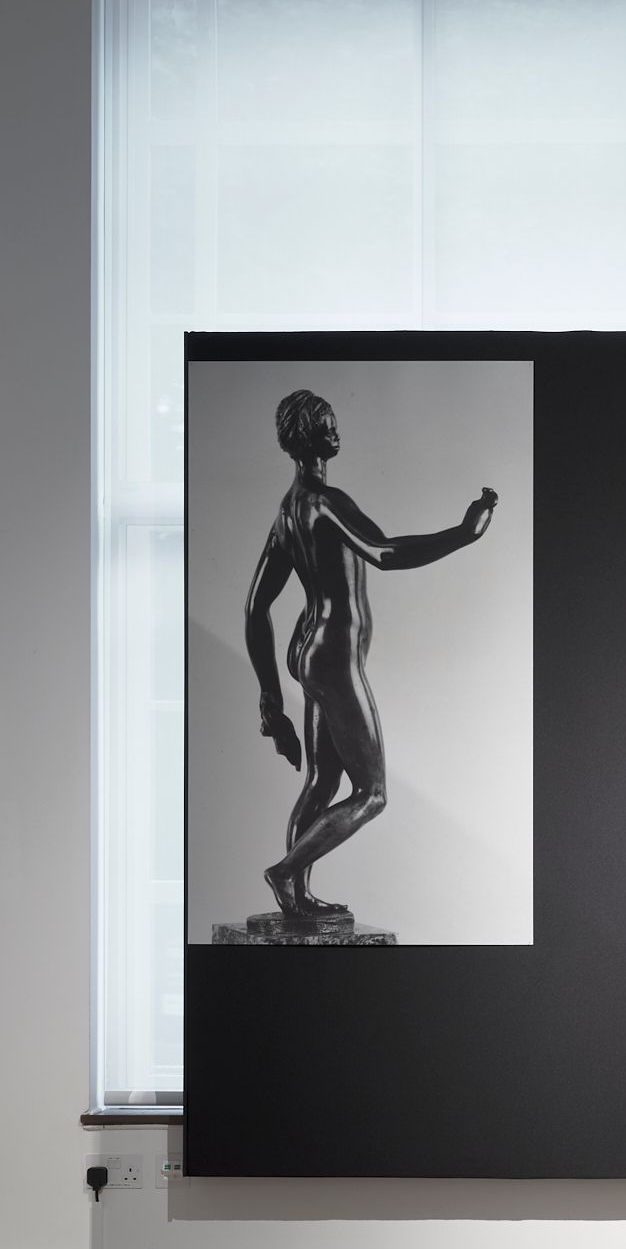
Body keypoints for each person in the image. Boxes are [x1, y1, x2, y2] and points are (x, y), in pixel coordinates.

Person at [241, 387, 497, 923]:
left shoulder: (289, 509)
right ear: (307, 433)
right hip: (334, 654)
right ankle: (287, 872)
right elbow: (383, 554)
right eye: (327, 423)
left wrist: (270, 690)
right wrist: (463, 534)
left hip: (309, 651)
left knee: (321, 781)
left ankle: (297, 897)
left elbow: (256, 608)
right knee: (373, 793)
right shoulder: (324, 503)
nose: (336, 432)